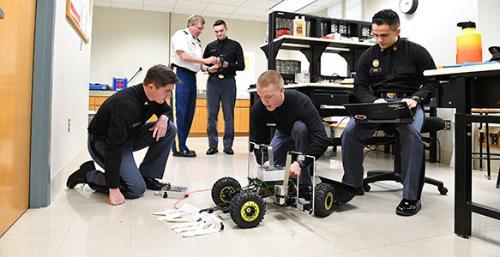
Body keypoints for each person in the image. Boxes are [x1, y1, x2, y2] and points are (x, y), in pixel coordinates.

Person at [341, 9, 437, 216]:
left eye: (384, 35)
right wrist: (373, 101)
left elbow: (432, 83)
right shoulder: (368, 55)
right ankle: (352, 184)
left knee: (411, 135)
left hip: (407, 103)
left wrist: (415, 99)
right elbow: (360, 87)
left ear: (397, 31)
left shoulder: (417, 52)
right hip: (377, 103)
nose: (379, 39)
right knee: (350, 132)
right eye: (375, 35)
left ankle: (411, 197)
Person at [66, 65, 178, 205]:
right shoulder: (126, 105)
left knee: (169, 128)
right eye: (167, 91)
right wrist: (113, 188)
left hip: (128, 136)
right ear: (151, 87)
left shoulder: (154, 97)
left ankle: (147, 176)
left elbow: (166, 110)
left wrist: (164, 118)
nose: (169, 96)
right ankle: (88, 174)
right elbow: (114, 146)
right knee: (135, 189)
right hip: (104, 143)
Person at [250, 70, 330, 196]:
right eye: (260, 96)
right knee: (271, 167)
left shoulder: (301, 101)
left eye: (268, 97)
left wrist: (300, 163)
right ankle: (277, 184)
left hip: (302, 134)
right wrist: (264, 160)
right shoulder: (258, 108)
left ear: (282, 91)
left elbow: (322, 139)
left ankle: (304, 184)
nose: (264, 101)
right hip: (282, 132)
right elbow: (258, 141)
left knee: (300, 127)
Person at [170, 14, 217, 157]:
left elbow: (199, 65)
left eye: (202, 29)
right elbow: (183, 56)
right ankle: (178, 148)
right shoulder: (181, 35)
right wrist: (206, 59)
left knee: (189, 112)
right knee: (180, 112)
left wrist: (209, 68)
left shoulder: (197, 42)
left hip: (191, 77)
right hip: (180, 74)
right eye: (198, 28)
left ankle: (183, 144)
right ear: (190, 24)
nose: (200, 31)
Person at [202, 20, 245, 155]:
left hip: (228, 83)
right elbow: (202, 65)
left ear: (226, 29)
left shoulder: (235, 45)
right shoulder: (210, 46)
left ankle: (228, 146)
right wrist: (209, 69)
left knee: (229, 115)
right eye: (216, 31)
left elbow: (242, 66)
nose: (219, 33)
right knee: (211, 115)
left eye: (221, 30)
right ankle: (212, 146)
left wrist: (228, 65)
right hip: (213, 82)